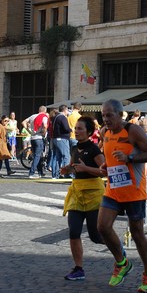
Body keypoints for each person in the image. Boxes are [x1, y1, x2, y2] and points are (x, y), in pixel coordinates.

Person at [97, 99, 147, 293]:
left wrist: (130, 158)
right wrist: (107, 166)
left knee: (137, 233)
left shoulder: (132, 131)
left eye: (109, 115)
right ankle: (122, 263)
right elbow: (110, 155)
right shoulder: (104, 133)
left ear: (120, 114)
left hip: (134, 191)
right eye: (103, 115)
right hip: (114, 189)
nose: (106, 119)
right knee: (102, 226)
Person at [60, 116, 106, 281]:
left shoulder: (94, 150)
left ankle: (116, 248)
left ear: (88, 132)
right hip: (77, 193)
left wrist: (86, 168)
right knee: (74, 232)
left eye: (80, 129)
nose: (76, 131)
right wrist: (67, 170)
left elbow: (104, 171)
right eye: (76, 128)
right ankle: (78, 269)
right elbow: (74, 166)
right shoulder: (75, 148)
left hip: (93, 193)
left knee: (95, 236)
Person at [22, 106, 49, 178]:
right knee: (37, 156)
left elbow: (23, 122)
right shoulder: (44, 116)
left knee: (37, 155)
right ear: (45, 111)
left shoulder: (33, 116)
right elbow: (45, 126)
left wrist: (29, 131)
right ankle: (32, 173)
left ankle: (40, 172)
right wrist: (43, 133)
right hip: (39, 137)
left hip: (32, 138)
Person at [52, 105, 72, 179]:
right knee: (66, 156)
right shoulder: (62, 117)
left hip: (55, 138)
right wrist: (71, 129)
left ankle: (55, 174)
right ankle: (67, 173)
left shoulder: (55, 117)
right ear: (65, 110)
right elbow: (66, 128)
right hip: (62, 138)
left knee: (57, 157)